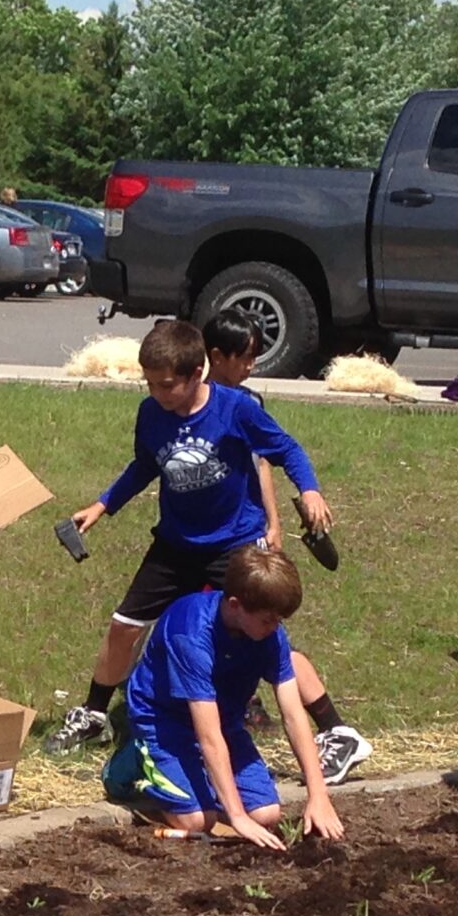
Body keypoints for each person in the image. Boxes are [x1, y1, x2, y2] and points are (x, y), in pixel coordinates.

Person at [45, 321, 323, 766]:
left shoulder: (235, 409)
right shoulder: (151, 413)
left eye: (166, 385)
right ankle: (95, 714)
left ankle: (323, 724)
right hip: (176, 544)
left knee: (260, 628)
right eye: (150, 384)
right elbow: (144, 466)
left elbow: (286, 448)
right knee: (124, 625)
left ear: (197, 373)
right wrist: (102, 506)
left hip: (233, 543)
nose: (157, 393)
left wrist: (309, 490)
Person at [201, 310, 371, 784]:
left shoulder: (245, 403)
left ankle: (336, 730)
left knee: (265, 635)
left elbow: (264, 466)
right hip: (201, 541)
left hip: (236, 539)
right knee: (228, 630)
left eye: (255, 356)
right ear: (215, 357)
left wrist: (273, 525)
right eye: (246, 356)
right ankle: (245, 706)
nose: (252, 364)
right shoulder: (193, 401)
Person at [101, 547, 344, 851]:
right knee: (196, 821)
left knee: (267, 815)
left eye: (279, 620)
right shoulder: (191, 635)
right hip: (165, 723)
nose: (275, 628)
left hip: (226, 721)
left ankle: (199, 780)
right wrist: (237, 816)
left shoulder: (270, 635)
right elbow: (208, 736)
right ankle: (130, 764)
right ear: (235, 605)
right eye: (268, 620)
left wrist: (318, 795)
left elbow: (294, 714)